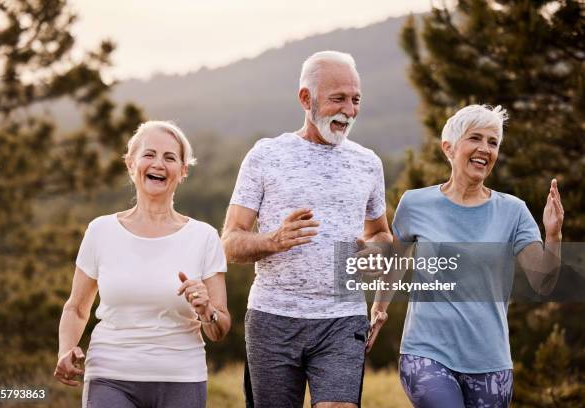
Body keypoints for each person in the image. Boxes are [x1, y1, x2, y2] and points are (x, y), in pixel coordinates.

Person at [221, 51, 392, 408]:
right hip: (273, 318)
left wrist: (374, 252)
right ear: (305, 98)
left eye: (355, 99)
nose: (349, 110)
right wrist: (273, 240)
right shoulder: (266, 156)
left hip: (342, 320)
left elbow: (380, 233)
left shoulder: (367, 163)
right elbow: (231, 242)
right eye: (338, 99)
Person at [369, 105, 564, 407]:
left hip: (491, 361)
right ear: (449, 147)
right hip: (426, 353)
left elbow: (543, 282)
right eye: (475, 138)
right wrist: (379, 310)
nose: (485, 149)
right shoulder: (415, 204)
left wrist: (553, 236)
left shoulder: (514, 211)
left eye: (493, 142)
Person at [54, 121, 230, 408]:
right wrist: (66, 349)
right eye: (149, 154)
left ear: (183, 171)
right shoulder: (101, 231)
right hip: (109, 376)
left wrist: (206, 309)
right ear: (130, 164)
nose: (158, 164)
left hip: (181, 378)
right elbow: (76, 307)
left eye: (170, 157)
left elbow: (220, 328)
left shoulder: (204, 237)